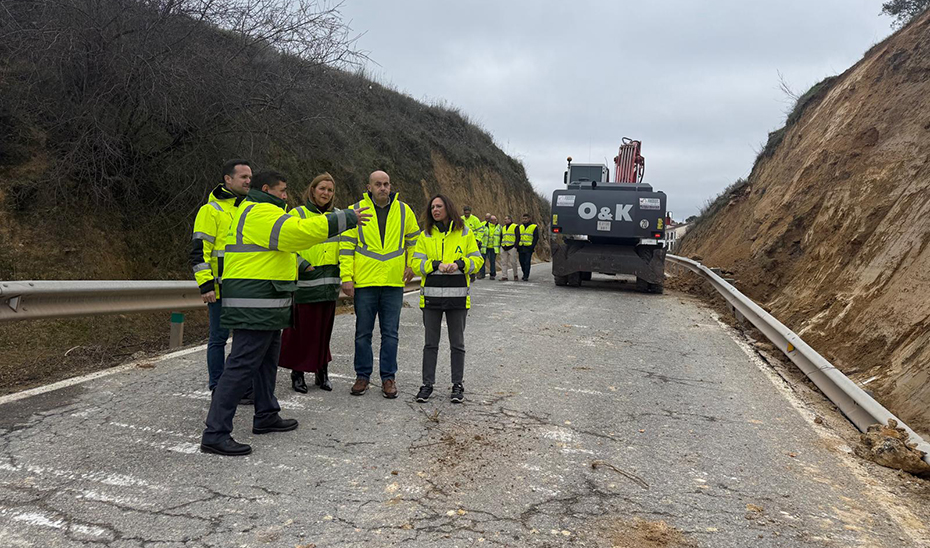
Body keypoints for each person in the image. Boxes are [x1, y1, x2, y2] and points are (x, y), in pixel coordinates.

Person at [201, 170, 369, 456]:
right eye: (282, 190)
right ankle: (215, 432)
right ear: (266, 189)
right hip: (255, 304)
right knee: (241, 365)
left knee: (267, 361)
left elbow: (284, 247)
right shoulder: (260, 213)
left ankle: (266, 414)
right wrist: (346, 218)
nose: (286, 196)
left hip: (268, 302)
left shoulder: (261, 211)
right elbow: (298, 234)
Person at [340, 171, 420, 399]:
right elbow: (346, 245)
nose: (383, 188)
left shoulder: (404, 210)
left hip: (393, 283)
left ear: (390, 186)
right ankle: (362, 376)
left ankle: (388, 378)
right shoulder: (356, 210)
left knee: (390, 334)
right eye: (378, 184)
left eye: (386, 184)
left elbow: (414, 240)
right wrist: (346, 277)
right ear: (369, 187)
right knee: (362, 333)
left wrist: (412, 265)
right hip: (365, 282)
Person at [410, 194, 483, 403]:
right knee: (430, 344)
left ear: (448, 208)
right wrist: (436, 265)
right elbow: (416, 264)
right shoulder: (425, 236)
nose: (435, 210)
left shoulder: (465, 233)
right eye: (432, 207)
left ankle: (457, 385)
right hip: (432, 299)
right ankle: (427, 385)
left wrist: (460, 264)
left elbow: (477, 261)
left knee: (457, 344)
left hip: (457, 298)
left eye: (439, 206)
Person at [189, 159, 251, 393]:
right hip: (221, 287)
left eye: (250, 177)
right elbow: (199, 250)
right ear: (228, 179)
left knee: (243, 340)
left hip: (245, 287)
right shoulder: (211, 210)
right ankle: (218, 386)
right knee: (218, 339)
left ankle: (238, 385)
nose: (248, 181)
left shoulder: (247, 208)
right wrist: (206, 285)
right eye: (243, 177)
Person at [278, 173, 343, 393]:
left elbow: (345, 247)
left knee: (324, 331)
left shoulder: (338, 216)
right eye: (322, 188)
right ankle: (297, 373)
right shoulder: (297, 214)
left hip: (330, 283)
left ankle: (321, 372)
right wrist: (302, 264)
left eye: (330, 190)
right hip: (306, 282)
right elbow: (286, 245)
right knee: (301, 331)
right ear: (312, 189)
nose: (326, 193)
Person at [516, 213, 538, 281]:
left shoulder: (534, 227)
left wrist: (532, 246)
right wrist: (518, 246)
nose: (524, 220)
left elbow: (536, 237)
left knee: (527, 261)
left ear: (529, 219)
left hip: (528, 247)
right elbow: (518, 237)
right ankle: (524, 273)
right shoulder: (520, 227)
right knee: (521, 261)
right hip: (521, 247)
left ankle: (526, 276)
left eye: (526, 219)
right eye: (523, 219)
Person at [499, 215, 519, 281]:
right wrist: (501, 245)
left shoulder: (515, 226)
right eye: (504, 219)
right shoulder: (503, 228)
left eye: (506, 219)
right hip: (504, 247)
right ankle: (504, 276)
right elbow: (501, 237)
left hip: (512, 247)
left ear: (510, 219)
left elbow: (518, 236)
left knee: (513, 262)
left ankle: (515, 275)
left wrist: (515, 246)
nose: (505, 220)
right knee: (503, 262)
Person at [482, 215, 501, 280]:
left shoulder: (499, 227)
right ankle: (482, 274)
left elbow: (501, 236)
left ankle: (492, 274)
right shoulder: (484, 226)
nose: (494, 221)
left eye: (495, 220)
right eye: (493, 220)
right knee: (482, 261)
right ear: (490, 220)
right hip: (485, 247)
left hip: (494, 247)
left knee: (492, 261)